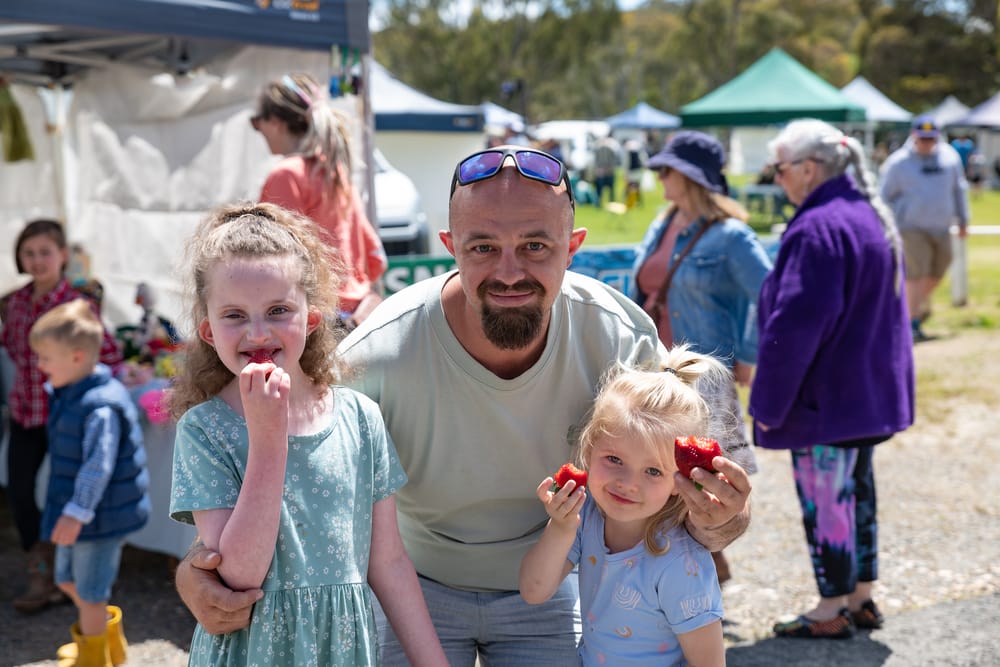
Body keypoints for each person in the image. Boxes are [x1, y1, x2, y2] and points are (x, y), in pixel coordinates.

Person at [174, 147, 752, 665]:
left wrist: (721, 517)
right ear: (450, 248)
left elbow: (705, 493)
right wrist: (198, 570)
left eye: (535, 246)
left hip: (555, 580)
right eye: (483, 247)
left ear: (572, 248)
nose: (509, 271)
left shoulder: (622, 337)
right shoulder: (377, 354)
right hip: (413, 585)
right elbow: (299, 481)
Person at [167, 203, 446, 665]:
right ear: (209, 332)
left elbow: (389, 563)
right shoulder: (205, 429)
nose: (258, 333)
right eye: (234, 315)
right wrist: (268, 439)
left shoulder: (361, 418)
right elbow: (238, 576)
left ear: (311, 319)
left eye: (278, 310)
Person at [751, 119, 914, 639]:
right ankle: (860, 596)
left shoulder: (818, 227)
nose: (776, 178)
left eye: (779, 169)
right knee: (858, 493)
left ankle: (832, 606)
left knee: (827, 501)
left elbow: (797, 324)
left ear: (808, 169)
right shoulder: (866, 215)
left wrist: (768, 402)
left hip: (826, 398)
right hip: (862, 393)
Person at [519, 346, 727, 667]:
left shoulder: (680, 565)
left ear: (680, 481)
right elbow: (534, 591)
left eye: (653, 471)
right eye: (614, 459)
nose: (628, 483)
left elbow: (710, 663)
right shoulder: (587, 516)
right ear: (589, 450)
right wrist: (560, 527)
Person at [631, 130, 772, 584]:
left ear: (690, 177)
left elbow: (770, 294)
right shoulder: (662, 223)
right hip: (655, 372)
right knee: (654, 470)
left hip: (703, 378)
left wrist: (748, 353)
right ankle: (695, 567)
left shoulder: (731, 236)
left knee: (702, 479)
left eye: (666, 169)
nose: (659, 176)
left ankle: (704, 565)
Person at [1, 218, 122, 614]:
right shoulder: (14, 303)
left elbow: (108, 355)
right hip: (25, 415)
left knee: (67, 493)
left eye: (45, 252)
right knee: (20, 493)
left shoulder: (77, 306)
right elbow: (13, 351)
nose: (37, 260)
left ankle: (74, 575)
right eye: (29, 253)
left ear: (63, 255)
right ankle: (40, 571)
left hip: (67, 418)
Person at [29, 298, 149, 666]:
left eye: (46, 358)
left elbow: (98, 466)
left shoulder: (100, 406)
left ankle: (94, 658)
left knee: (91, 592)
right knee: (68, 580)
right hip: (80, 513)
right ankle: (108, 642)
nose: (40, 365)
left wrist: (77, 511)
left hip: (97, 518)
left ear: (77, 357)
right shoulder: (72, 392)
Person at [251, 72, 387, 328]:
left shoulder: (286, 175)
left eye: (257, 122)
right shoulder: (335, 171)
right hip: (358, 318)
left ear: (276, 122)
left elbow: (272, 261)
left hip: (320, 322)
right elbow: (376, 259)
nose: (259, 131)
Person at [879, 114, 969, 342]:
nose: (927, 143)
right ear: (913, 136)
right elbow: (883, 196)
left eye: (931, 138)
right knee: (916, 274)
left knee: (938, 270)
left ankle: (911, 306)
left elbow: (959, 189)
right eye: (923, 139)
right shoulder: (898, 163)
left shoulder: (949, 158)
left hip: (942, 226)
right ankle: (912, 322)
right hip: (910, 227)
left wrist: (963, 219)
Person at [592, 135, 621, 206]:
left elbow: (595, 160)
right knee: (611, 188)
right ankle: (611, 202)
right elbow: (614, 160)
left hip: (601, 171)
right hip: (609, 170)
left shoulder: (598, 148)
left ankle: (598, 202)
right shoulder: (611, 148)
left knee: (599, 188)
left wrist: (597, 169)